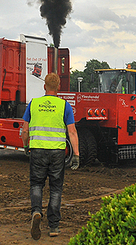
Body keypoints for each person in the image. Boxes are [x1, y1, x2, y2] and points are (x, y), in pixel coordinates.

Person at [21, 72, 79, 240]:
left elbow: (25, 130)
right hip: (57, 152)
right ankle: (53, 226)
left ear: (44, 86)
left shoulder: (34, 104)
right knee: (55, 188)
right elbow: (72, 131)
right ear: (58, 87)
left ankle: (37, 212)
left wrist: (26, 146)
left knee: (37, 184)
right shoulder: (64, 106)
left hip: (37, 150)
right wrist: (76, 154)